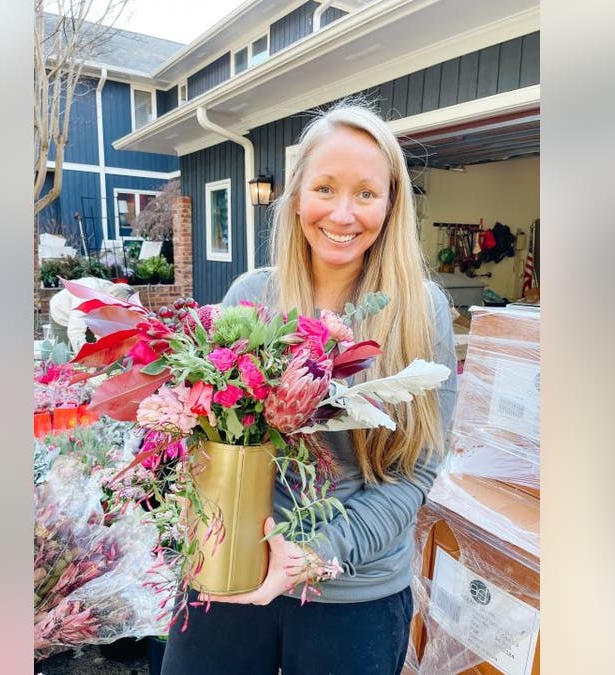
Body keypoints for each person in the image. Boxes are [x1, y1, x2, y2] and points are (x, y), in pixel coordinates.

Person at [161, 103, 458, 675]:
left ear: (391, 204)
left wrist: (316, 554)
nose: (343, 214)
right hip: (228, 571)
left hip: (352, 592)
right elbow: (203, 438)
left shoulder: (420, 313)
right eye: (325, 187)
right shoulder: (252, 295)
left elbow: (417, 471)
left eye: (366, 193)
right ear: (296, 196)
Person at [48, 277, 141, 352]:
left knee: (97, 349)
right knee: (67, 355)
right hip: (62, 313)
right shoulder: (86, 297)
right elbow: (75, 332)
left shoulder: (118, 291)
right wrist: (87, 360)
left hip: (91, 314)